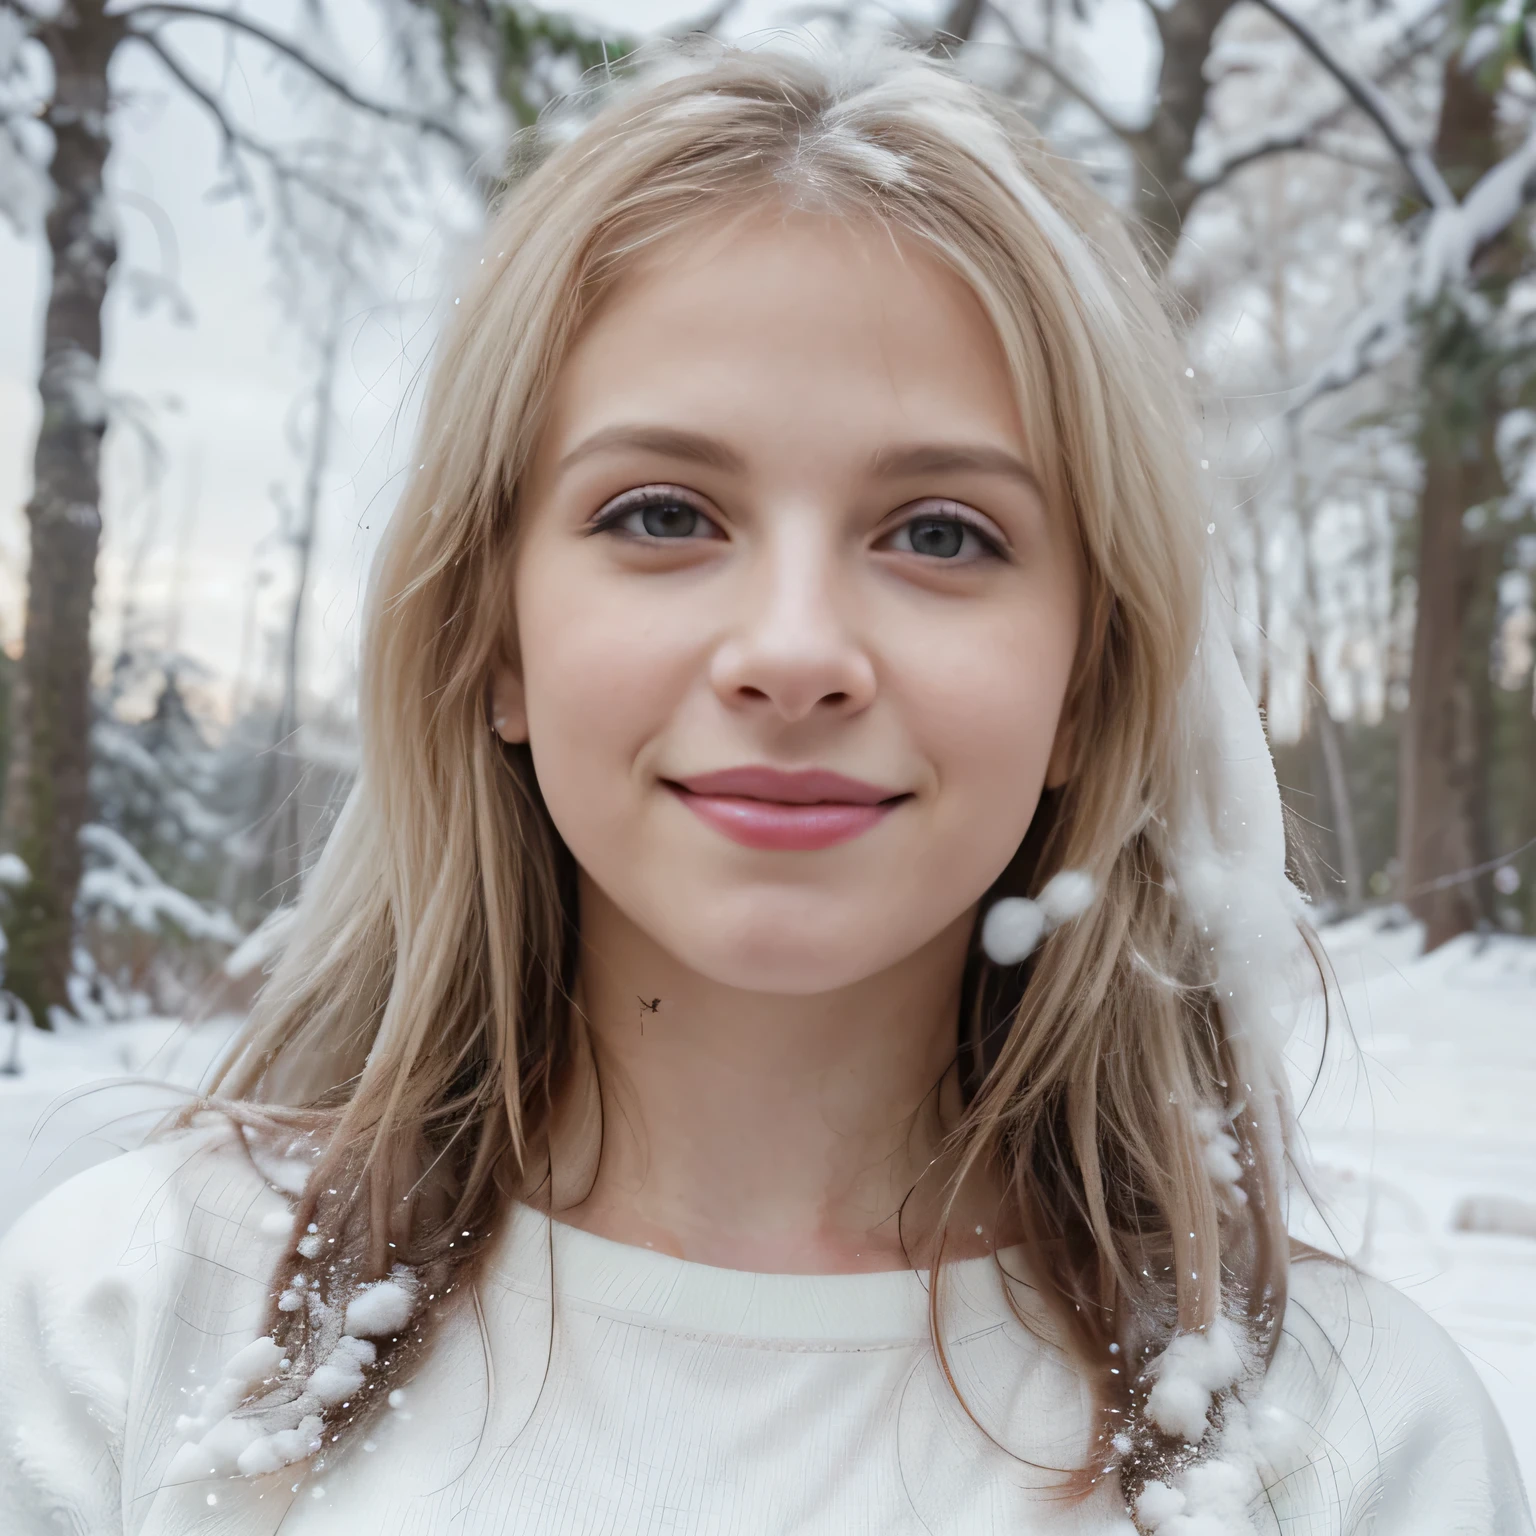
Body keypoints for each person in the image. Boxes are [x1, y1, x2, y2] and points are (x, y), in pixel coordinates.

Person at [0, 39, 1528, 1536]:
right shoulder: (131, 1322)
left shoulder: (1342, 1449)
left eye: (941, 534)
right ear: (494, 639)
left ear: (1089, 682)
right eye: (662, 512)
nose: (795, 655)